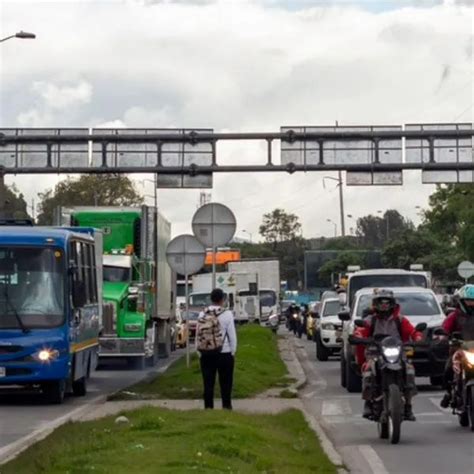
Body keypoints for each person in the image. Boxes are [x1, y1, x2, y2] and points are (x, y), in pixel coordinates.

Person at [354, 289, 423, 421]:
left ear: (392, 304)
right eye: (381, 302)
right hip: (375, 352)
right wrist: (358, 336)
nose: (384, 305)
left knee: (409, 370)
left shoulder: (400, 319)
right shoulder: (370, 320)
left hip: (398, 352)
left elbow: (413, 331)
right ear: (375, 304)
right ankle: (368, 402)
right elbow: (361, 330)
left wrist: (418, 337)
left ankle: (408, 405)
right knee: (368, 370)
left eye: (387, 302)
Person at [196, 288, 237, 410]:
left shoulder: (202, 314)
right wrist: (233, 352)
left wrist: (199, 351)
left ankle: (208, 408)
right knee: (226, 383)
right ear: (222, 300)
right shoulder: (227, 314)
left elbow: (198, 334)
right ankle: (226, 406)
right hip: (224, 353)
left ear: (211, 299)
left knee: (208, 383)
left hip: (206, 353)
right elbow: (232, 336)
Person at [440, 284, 474, 408]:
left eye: (473, 301)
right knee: (448, 369)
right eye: (468, 301)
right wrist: (442, 336)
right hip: (459, 350)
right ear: (461, 301)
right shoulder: (454, 316)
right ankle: (449, 393)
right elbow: (445, 328)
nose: (471, 304)